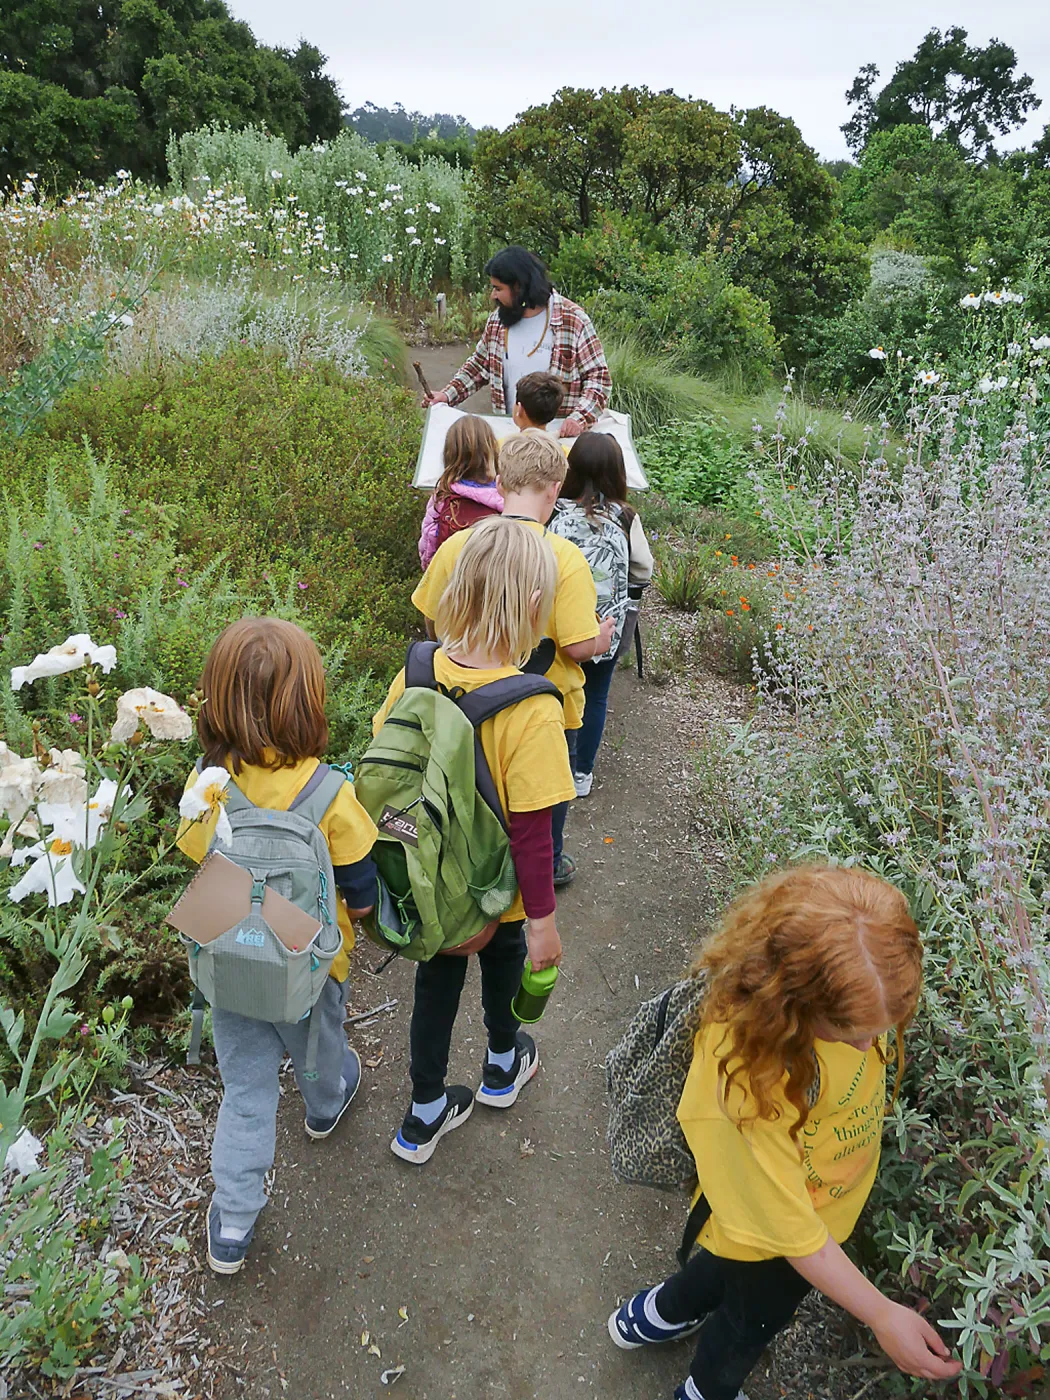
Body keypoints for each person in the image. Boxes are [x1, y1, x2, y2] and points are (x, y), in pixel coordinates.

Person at [607, 864, 963, 1400]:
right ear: (792, 1002)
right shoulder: (749, 1078)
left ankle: (662, 1312)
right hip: (784, 1240)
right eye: (850, 1032)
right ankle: (704, 1391)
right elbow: (790, 1234)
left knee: (721, 1266)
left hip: (770, 1219)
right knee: (746, 1326)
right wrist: (880, 1314)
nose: (868, 1047)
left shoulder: (846, 992)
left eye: (881, 1029)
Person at [176, 617, 378, 1276]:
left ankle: (233, 1220)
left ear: (218, 699)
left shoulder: (209, 783)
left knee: (245, 1090)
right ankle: (324, 1106)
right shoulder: (330, 791)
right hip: (308, 964)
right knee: (317, 1050)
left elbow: (197, 859)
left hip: (232, 961)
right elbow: (360, 888)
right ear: (308, 700)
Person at [375, 518, 575, 1163]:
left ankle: (423, 1111)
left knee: (436, 982)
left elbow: (386, 766)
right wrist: (543, 923)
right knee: (505, 959)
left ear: (455, 589)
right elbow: (533, 833)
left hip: (432, 878)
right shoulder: (534, 709)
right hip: (497, 890)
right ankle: (501, 1065)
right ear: (535, 605)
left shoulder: (416, 673)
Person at [412, 429, 615, 887]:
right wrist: (601, 640)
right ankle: (546, 865)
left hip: (462, 701)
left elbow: (432, 619)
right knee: (543, 799)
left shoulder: (461, 545)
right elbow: (576, 646)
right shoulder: (565, 559)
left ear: (499, 484)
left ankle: (459, 865)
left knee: (465, 787)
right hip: (547, 710)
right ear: (555, 490)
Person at [548, 432, 654, 797]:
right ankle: (581, 773)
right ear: (617, 472)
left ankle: (552, 763)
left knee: (555, 690)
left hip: (558, 624)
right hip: (606, 626)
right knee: (595, 696)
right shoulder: (625, 516)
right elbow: (643, 568)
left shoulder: (555, 510)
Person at [424, 246, 610, 439]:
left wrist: (579, 419)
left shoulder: (573, 320)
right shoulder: (497, 321)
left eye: (498, 289)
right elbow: (478, 366)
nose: (493, 296)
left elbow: (599, 379)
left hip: (557, 439)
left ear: (519, 286)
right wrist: (446, 395)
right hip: (510, 436)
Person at [418, 415, 503, 569]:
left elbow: (429, 543)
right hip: (494, 577)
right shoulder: (504, 496)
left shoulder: (442, 496)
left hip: (453, 577)